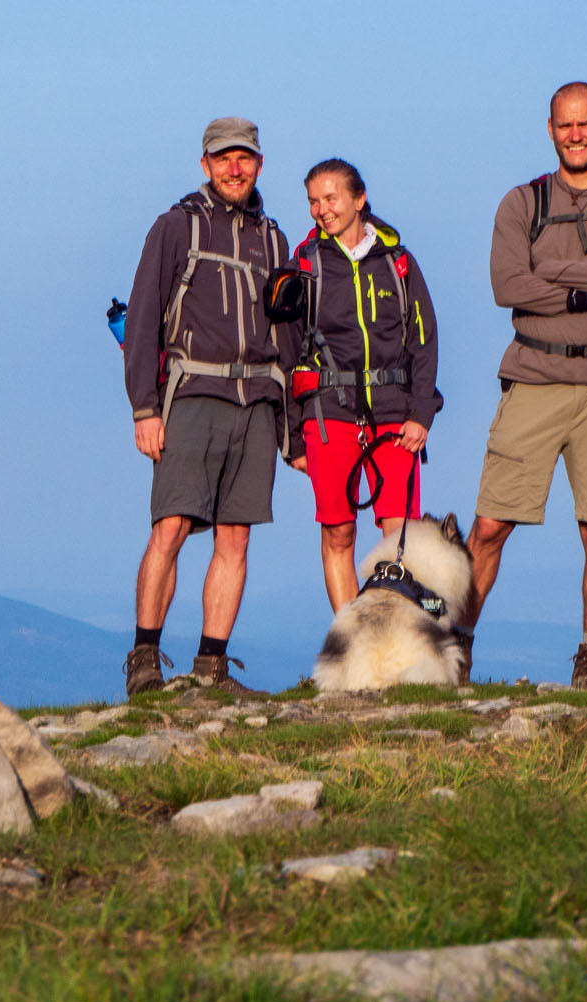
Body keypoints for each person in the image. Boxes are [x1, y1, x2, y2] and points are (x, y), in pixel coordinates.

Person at [456, 82, 587, 688]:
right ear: (549, 128)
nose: (576, 135)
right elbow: (505, 286)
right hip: (534, 375)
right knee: (490, 525)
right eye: (565, 125)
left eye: (586, 124)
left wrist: (548, 271)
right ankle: (455, 645)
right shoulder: (522, 202)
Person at [121, 117, 296, 696]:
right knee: (170, 526)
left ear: (259, 164)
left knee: (236, 537)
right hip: (192, 392)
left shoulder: (273, 238)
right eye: (223, 158)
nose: (234, 168)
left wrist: (289, 427)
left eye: (243, 158)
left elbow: (289, 336)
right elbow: (144, 317)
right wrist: (144, 408)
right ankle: (145, 659)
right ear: (205, 165)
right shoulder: (176, 228)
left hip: (256, 401)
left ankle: (211, 668)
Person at [272, 158, 441, 610]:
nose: (321, 210)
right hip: (328, 414)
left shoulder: (399, 263)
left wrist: (422, 414)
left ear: (358, 199)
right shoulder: (303, 267)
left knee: (400, 533)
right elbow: (287, 355)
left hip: (395, 415)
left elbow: (424, 339)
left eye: (331, 198)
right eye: (313, 201)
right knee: (338, 530)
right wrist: (293, 439)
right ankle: (352, 640)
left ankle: (401, 638)